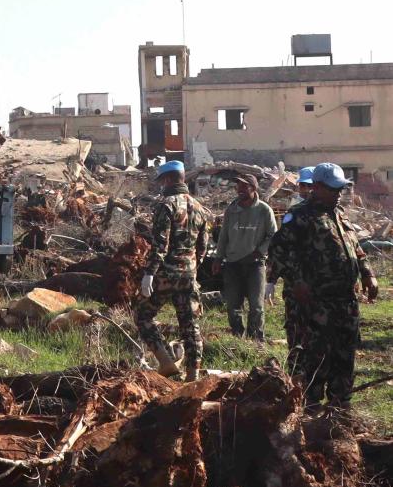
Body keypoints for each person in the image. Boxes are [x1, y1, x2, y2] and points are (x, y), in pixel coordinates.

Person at [267, 163, 378, 408]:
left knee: (344, 357)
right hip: (316, 305)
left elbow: (357, 251)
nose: (338, 193)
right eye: (333, 188)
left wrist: (368, 275)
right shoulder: (299, 216)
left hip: (345, 303)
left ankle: (340, 411)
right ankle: (310, 411)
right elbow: (277, 253)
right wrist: (297, 281)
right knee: (314, 359)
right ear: (317, 187)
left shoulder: (339, 215)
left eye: (340, 188)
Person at [135, 160, 209, 380]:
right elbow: (203, 247)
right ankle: (192, 375)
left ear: (168, 179)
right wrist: (192, 267)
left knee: (143, 315)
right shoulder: (199, 208)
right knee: (190, 324)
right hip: (189, 274)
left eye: (162, 181)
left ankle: (165, 361)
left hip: (166, 274)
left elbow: (160, 244)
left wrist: (149, 273)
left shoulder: (166, 205)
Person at [212, 173, 276, 340]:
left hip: (255, 264)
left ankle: (256, 340)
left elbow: (273, 235)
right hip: (233, 264)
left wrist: (259, 251)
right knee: (233, 305)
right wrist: (218, 258)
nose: (239, 190)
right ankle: (238, 337)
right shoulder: (231, 210)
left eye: (243, 186)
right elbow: (223, 236)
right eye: (237, 186)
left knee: (256, 306)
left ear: (253, 189)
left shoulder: (264, 210)